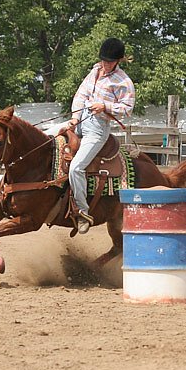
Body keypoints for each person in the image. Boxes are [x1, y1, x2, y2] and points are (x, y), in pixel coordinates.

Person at [64, 37, 135, 234]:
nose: (106, 64)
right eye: (104, 60)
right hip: (81, 120)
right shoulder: (94, 71)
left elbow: (127, 109)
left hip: (98, 127)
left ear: (118, 61)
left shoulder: (124, 82)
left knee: (76, 168)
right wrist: (74, 118)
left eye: (110, 61)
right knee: (48, 137)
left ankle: (82, 212)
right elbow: (80, 96)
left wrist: (105, 106)